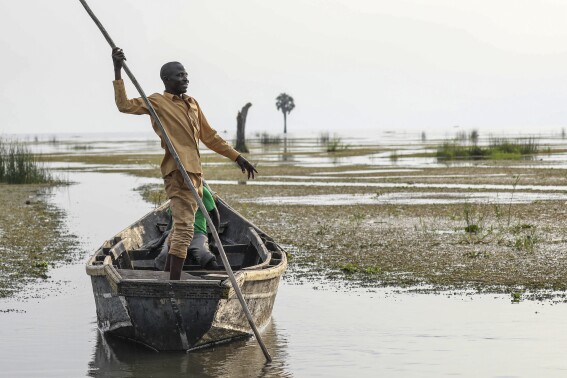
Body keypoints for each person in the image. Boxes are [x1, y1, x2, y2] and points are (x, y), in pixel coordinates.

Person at [111, 47, 257, 280]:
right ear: (166, 80)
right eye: (179, 75)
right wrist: (118, 69)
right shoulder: (157, 102)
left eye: (186, 75)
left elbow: (210, 137)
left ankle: (169, 277)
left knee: (183, 227)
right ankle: (174, 282)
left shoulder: (192, 103)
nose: (185, 79)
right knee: (184, 228)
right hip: (178, 172)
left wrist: (238, 157)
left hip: (195, 173)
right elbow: (124, 105)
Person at [154, 185, 220, 271]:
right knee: (163, 257)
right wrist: (162, 239)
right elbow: (171, 219)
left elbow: (215, 215)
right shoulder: (175, 190)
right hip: (176, 233)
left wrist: (215, 241)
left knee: (206, 257)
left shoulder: (201, 190)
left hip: (197, 234)